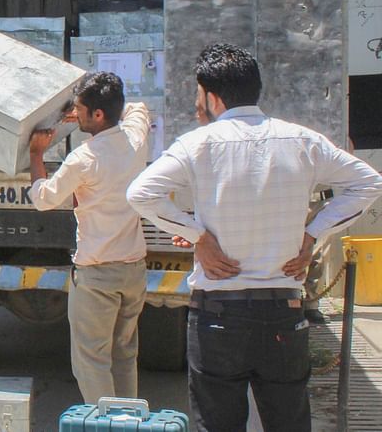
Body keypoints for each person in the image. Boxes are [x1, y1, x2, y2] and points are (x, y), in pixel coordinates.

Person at [126, 44, 382, 432]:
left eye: (198, 96)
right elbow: (368, 183)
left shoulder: (198, 144)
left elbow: (140, 194)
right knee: (289, 421)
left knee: (218, 423)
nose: (197, 105)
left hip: (217, 316)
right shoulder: (301, 140)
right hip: (283, 313)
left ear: (212, 97)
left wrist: (198, 236)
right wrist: (313, 234)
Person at [27, 72, 150, 404]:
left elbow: (43, 199)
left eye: (79, 109)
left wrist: (36, 155)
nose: (75, 115)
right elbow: (138, 107)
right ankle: (129, 423)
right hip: (133, 269)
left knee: (91, 361)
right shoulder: (135, 140)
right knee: (124, 354)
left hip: (97, 274)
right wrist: (99, 106)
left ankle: (107, 425)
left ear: (98, 114)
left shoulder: (83, 159)